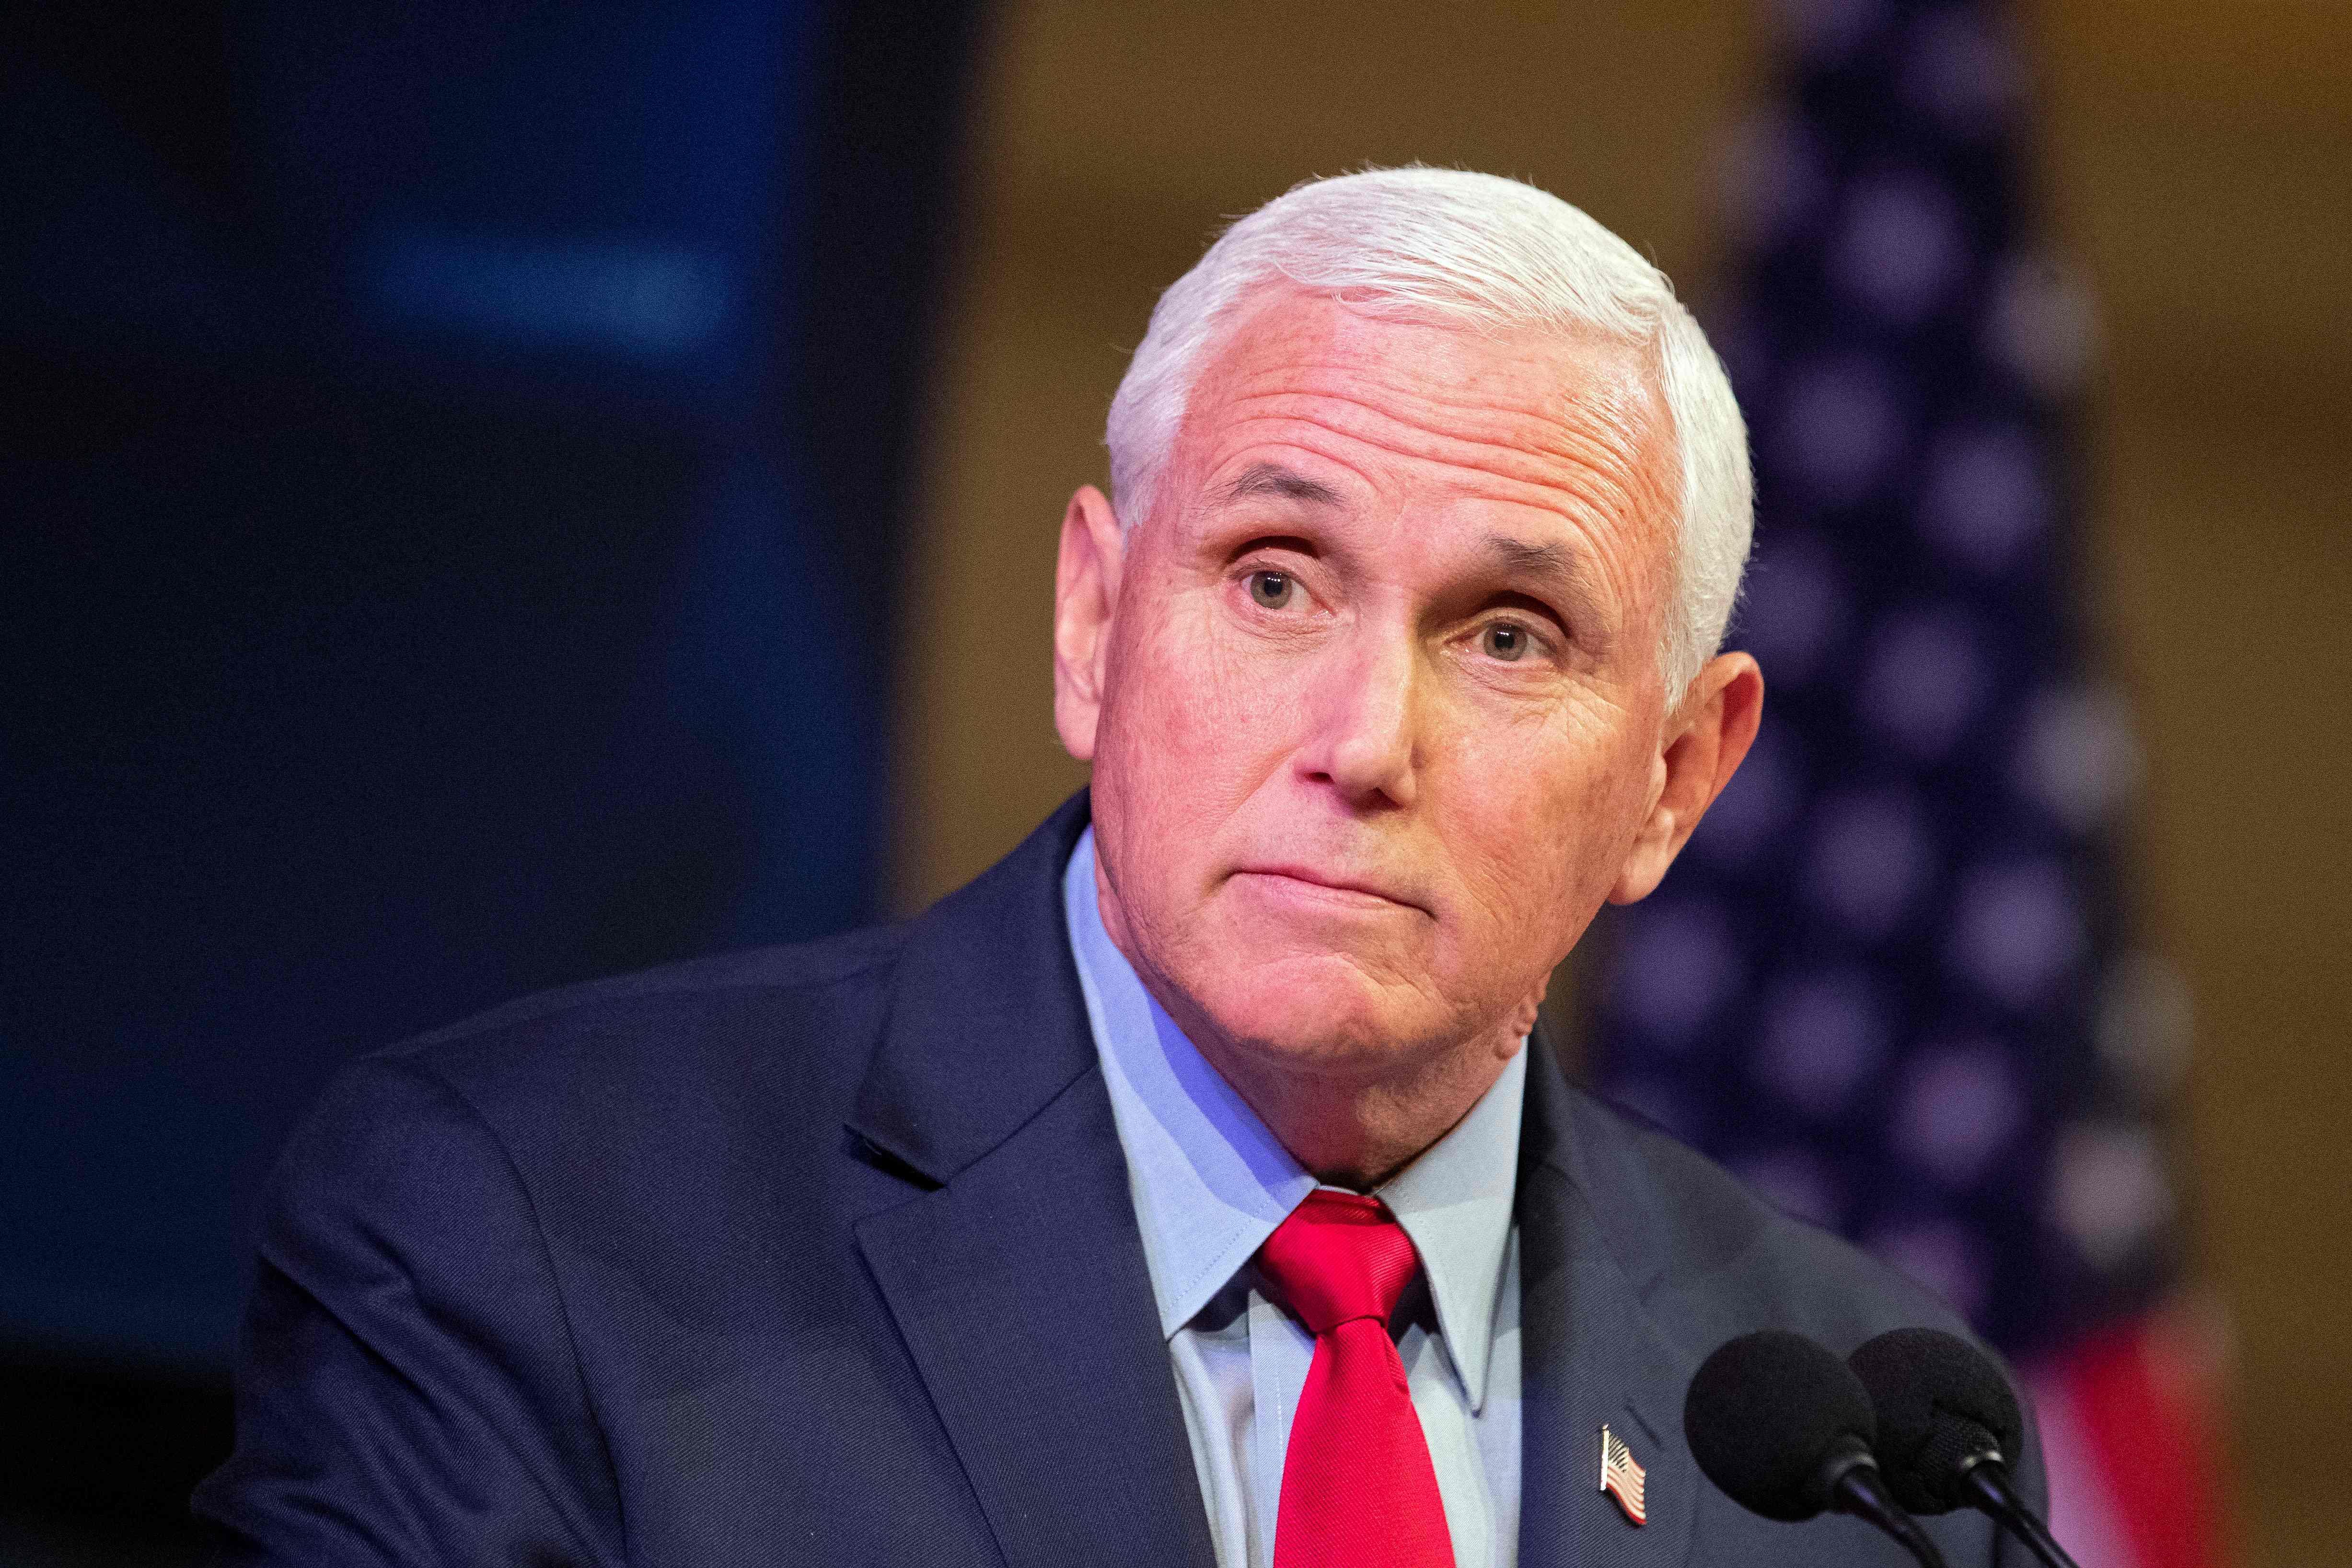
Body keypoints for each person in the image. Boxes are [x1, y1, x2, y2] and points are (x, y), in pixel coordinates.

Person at [196, 168, 2042, 1566]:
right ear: (1092, 621)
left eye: (1505, 635)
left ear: (1673, 778)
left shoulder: (1878, 1446)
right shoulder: (521, 1227)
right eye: (1273, 580)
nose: (1365, 741)